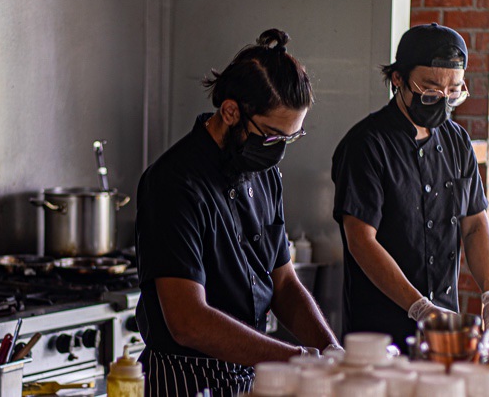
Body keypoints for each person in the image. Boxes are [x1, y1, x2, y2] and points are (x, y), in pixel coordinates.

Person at [135, 29, 339, 396]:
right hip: (184, 378)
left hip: (250, 370)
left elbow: (285, 283)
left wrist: (330, 350)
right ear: (230, 111)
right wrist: (296, 358)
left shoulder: (265, 174)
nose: (278, 152)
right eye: (272, 137)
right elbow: (188, 322)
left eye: (290, 139)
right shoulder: (173, 182)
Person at [331, 23, 489, 350]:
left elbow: (475, 225)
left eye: (453, 91)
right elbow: (361, 241)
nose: (442, 99)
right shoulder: (366, 145)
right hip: (380, 334)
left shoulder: (457, 141)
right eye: (429, 89)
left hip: (444, 329)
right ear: (398, 79)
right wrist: (419, 307)